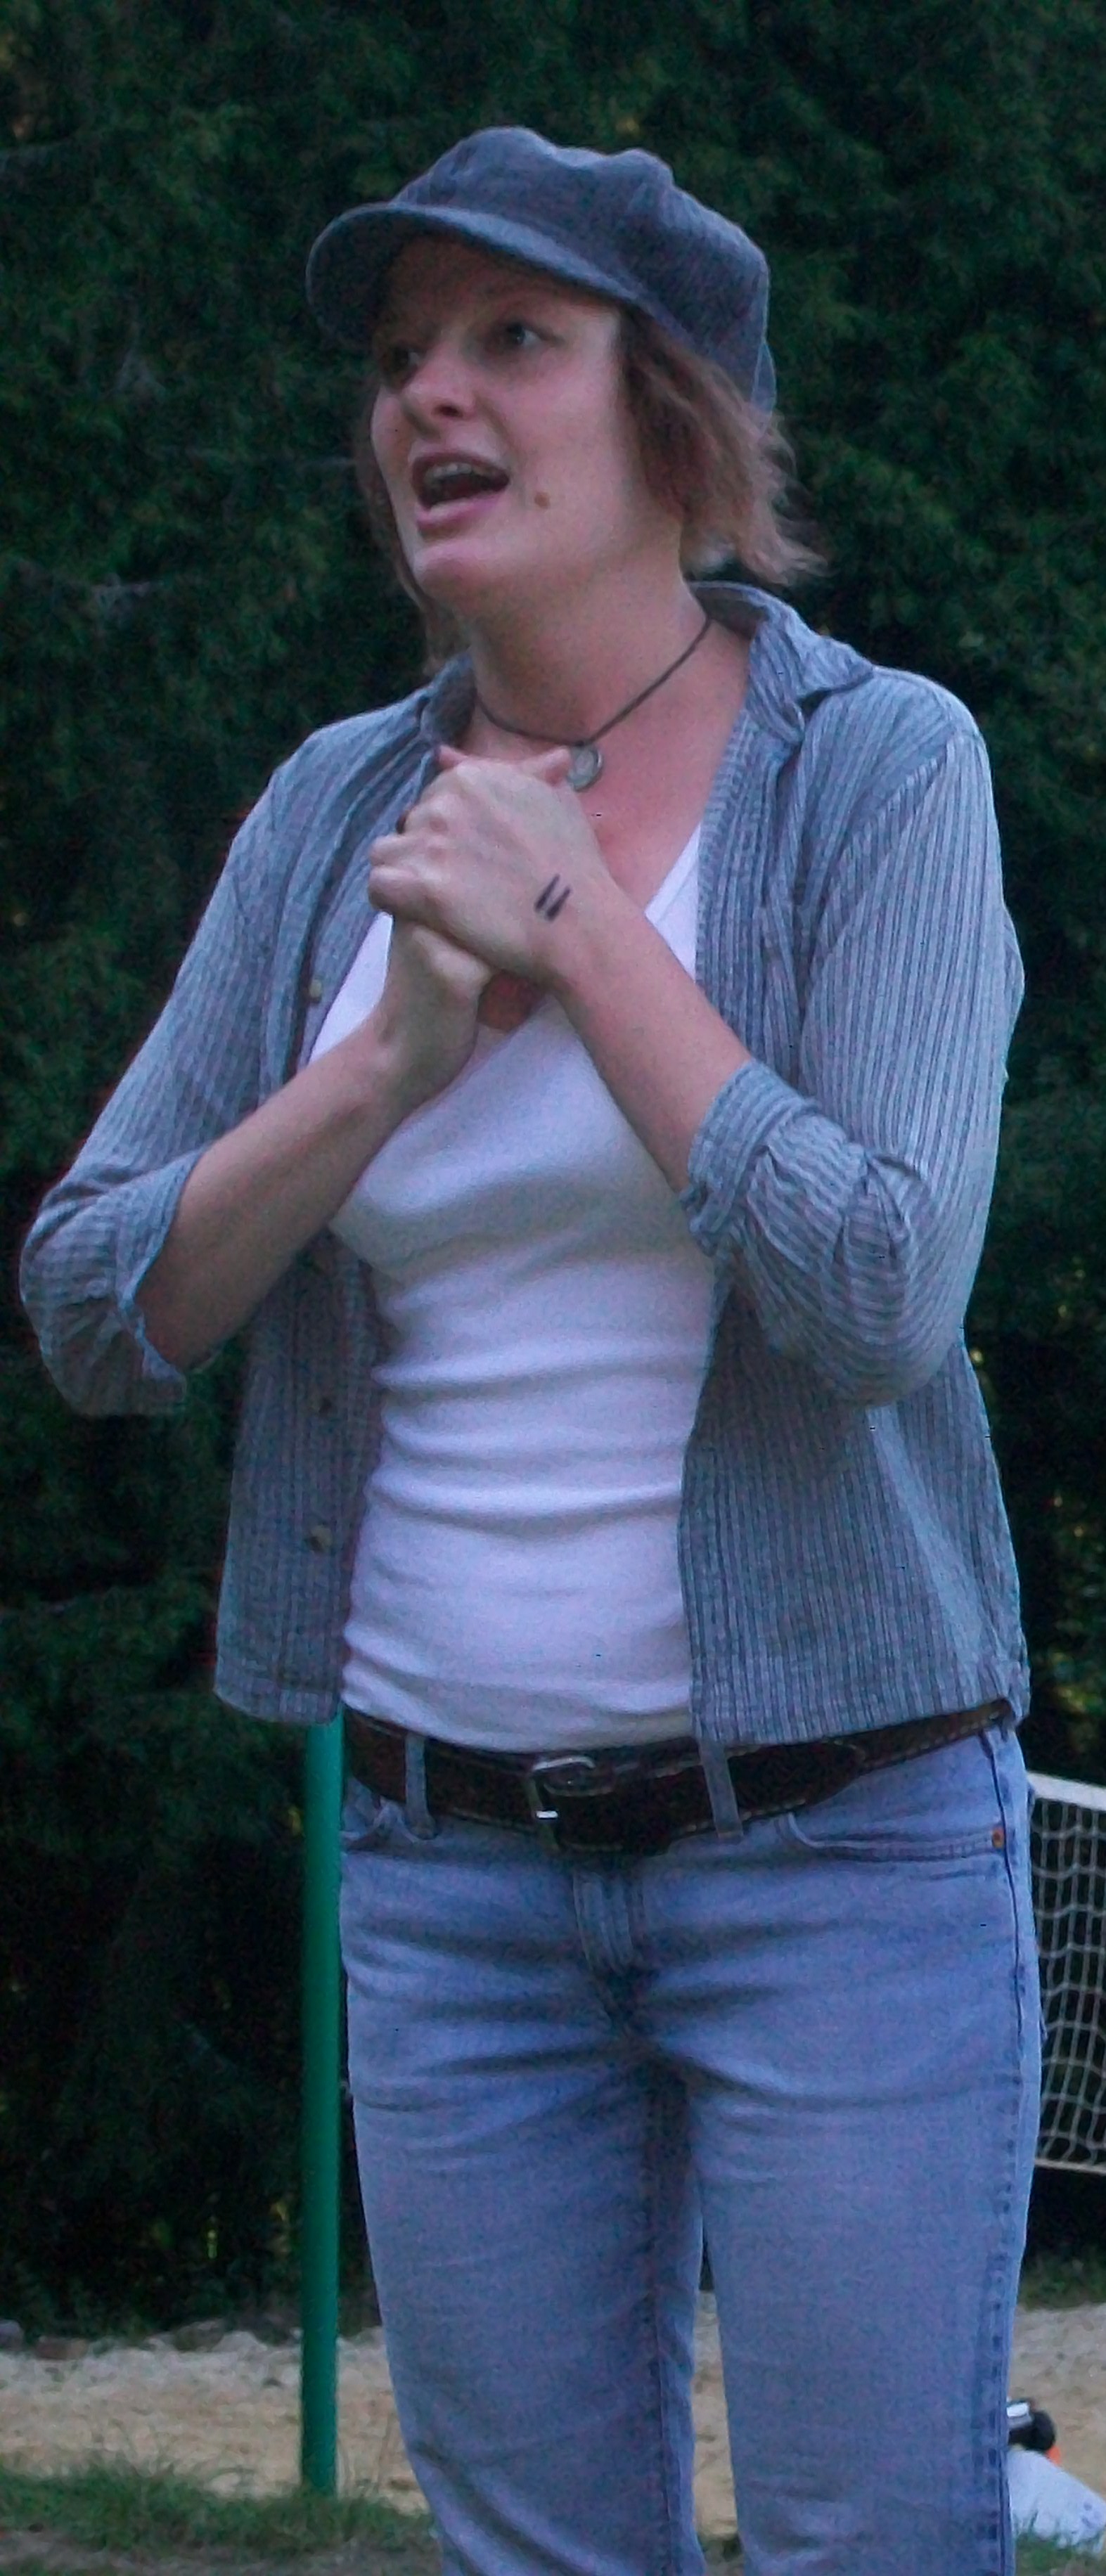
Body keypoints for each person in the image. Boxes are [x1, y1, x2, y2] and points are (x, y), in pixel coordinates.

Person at [22, 127, 1039, 2576]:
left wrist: (581, 927)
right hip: (447, 1875)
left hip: (843, 1850)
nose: (426, 400)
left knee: (874, 2546)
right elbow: (92, 1306)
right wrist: (381, 1069)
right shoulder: (333, 817)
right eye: (398, 360)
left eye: (511, 339)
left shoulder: (879, 767)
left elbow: (884, 1293)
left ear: (673, 410)